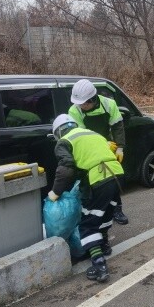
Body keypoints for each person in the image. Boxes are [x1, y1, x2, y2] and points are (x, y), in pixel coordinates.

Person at [47, 114, 123, 283]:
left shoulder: (64, 141)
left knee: (88, 224)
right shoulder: (91, 133)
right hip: (118, 175)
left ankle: (99, 265)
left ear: (58, 132)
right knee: (104, 214)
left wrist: (55, 193)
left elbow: (66, 170)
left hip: (100, 178)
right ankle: (104, 245)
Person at [68, 79, 129, 225]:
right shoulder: (74, 111)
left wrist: (120, 147)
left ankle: (116, 209)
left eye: (84, 103)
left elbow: (117, 126)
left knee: (112, 178)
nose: (81, 106)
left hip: (109, 148)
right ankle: (94, 210)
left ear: (93, 99)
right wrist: (102, 142)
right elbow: (81, 134)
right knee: (89, 181)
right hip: (86, 149)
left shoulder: (109, 104)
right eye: (79, 103)